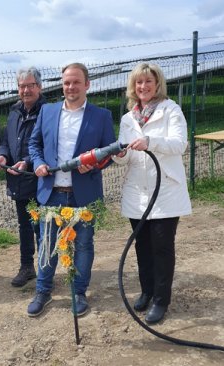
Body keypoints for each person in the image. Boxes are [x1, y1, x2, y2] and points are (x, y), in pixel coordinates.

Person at [27, 62, 116, 317]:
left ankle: (79, 292)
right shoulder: (47, 111)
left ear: (87, 84)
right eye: (67, 82)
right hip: (51, 191)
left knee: (84, 245)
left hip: (84, 194)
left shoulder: (101, 116)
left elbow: (109, 152)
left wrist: (95, 165)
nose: (71, 87)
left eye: (76, 82)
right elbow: (35, 143)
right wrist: (39, 162)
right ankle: (43, 291)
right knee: (47, 243)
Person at [112, 63, 192, 324]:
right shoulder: (128, 118)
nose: (143, 87)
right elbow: (125, 158)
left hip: (165, 190)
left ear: (157, 84)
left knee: (161, 247)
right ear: (133, 87)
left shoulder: (171, 110)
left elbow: (180, 144)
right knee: (142, 245)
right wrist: (120, 155)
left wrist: (151, 142)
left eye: (148, 81)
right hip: (137, 191)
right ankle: (146, 291)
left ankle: (161, 299)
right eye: (138, 83)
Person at [0, 67, 45, 287]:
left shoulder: (48, 112)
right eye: (22, 86)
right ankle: (26, 266)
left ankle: (45, 269)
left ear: (39, 87)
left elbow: (47, 146)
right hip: (17, 180)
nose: (25, 90)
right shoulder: (14, 112)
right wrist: (2, 156)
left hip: (39, 180)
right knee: (24, 226)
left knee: (41, 227)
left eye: (30, 85)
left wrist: (28, 162)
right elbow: (6, 141)